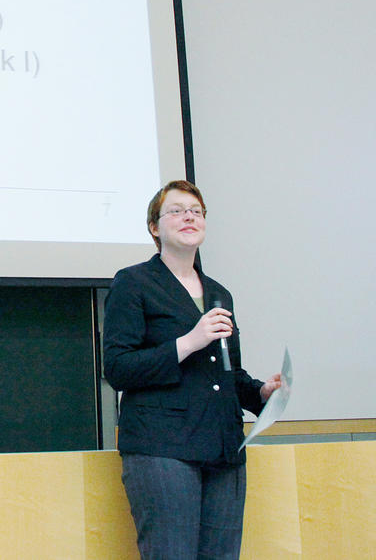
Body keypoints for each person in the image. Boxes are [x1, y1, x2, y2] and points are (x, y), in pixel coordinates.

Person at [103, 180, 282, 560]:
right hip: (162, 447)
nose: (189, 216)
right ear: (154, 227)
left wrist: (261, 393)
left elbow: (226, 373)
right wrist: (188, 342)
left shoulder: (218, 293)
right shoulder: (133, 283)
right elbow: (118, 368)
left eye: (196, 211)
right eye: (177, 210)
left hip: (223, 446)